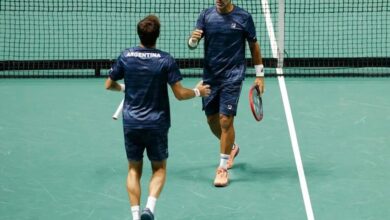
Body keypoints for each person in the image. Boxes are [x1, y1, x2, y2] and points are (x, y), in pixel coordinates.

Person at [105, 15, 210, 220]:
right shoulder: (165, 60)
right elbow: (180, 94)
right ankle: (149, 209)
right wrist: (198, 92)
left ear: (139, 34)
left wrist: (125, 88)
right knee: (159, 168)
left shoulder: (126, 56)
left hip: (132, 123)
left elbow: (109, 85)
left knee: (134, 170)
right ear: (157, 36)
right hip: (157, 124)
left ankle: (135, 216)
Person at [188, 0, 265, 187]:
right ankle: (232, 147)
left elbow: (254, 46)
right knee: (212, 120)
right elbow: (192, 45)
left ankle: (222, 169)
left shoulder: (244, 18)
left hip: (233, 76)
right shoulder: (206, 16)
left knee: (225, 120)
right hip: (210, 77)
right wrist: (193, 40)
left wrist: (260, 75)